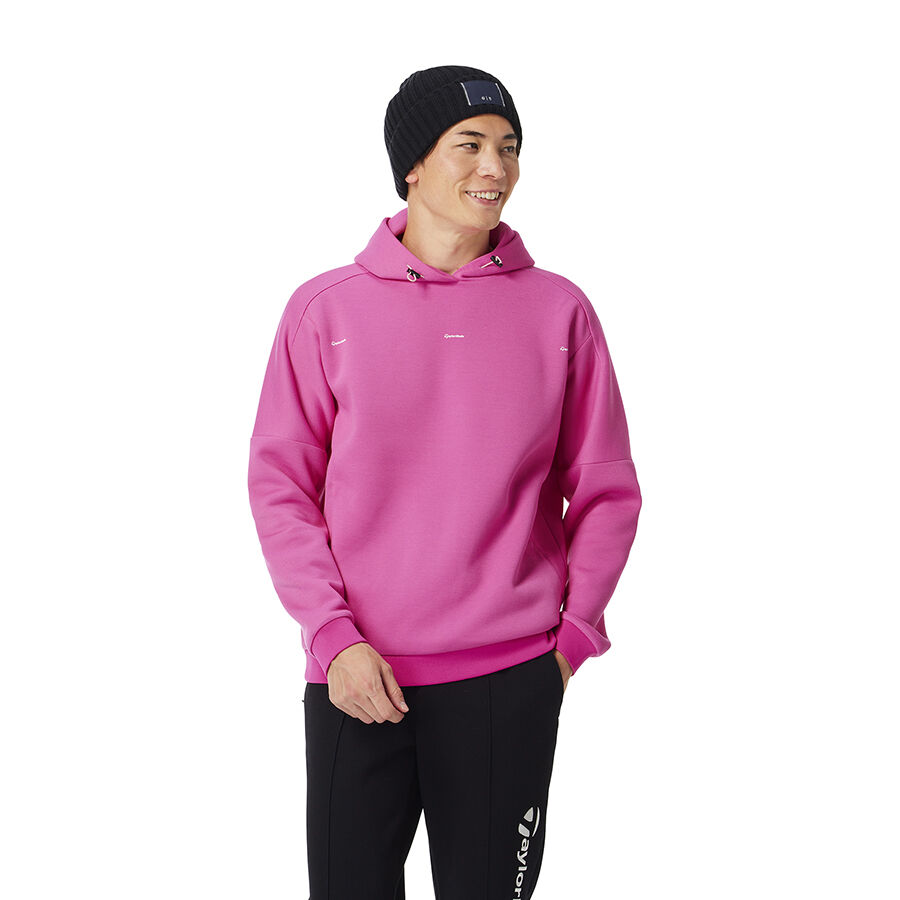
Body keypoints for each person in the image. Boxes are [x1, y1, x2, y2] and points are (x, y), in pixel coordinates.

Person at [247, 64, 642, 900]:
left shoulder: (560, 312)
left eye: (509, 146)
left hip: (510, 677)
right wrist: (332, 638)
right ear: (413, 164)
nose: (495, 167)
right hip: (356, 676)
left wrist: (570, 642)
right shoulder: (326, 311)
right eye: (469, 145)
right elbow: (282, 487)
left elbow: (605, 487)